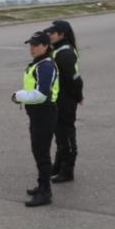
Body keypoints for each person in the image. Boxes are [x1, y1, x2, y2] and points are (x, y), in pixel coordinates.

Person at [12, 30, 59, 207]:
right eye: (30, 45)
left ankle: (45, 192)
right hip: (38, 113)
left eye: (36, 45)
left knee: (42, 152)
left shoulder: (45, 66)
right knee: (38, 150)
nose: (32, 48)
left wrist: (18, 96)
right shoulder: (39, 63)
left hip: (44, 113)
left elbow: (41, 95)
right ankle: (41, 184)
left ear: (46, 46)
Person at [45, 19, 84, 183]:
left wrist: (78, 96)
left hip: (65, 100)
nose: (49, 35)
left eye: (52, 33)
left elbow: (75, 79)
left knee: (66, 134)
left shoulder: (65, 53)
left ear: (61, 34)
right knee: (59, 134)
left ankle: (67, 171)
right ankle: (58, 166)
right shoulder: (57, 49)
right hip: (57, 98)